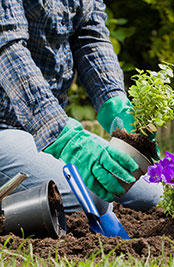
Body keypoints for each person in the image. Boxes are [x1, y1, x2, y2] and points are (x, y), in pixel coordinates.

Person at [0, 0, 163, 214]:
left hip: (37, 131)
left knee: (150, 192)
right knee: (92, 199)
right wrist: (65, 138)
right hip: (7, 127)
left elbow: (89, 38)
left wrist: (114, 104)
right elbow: (6, 47)